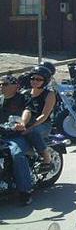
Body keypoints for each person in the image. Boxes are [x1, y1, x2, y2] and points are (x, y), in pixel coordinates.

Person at [1, 75, 35, 205]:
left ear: (15, 86)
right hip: (2, 134)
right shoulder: (0, 99)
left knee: (17, 154)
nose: (1, 86)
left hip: (16, 134)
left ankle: (25, 191)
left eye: (5, 84)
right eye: (1, 84)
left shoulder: (23, 98)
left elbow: (27, 111)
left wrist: (22, 122)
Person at [18, 66, 56, 176]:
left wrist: (31, 126)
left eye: (39, 79)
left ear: (45, 81)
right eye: (33, 78)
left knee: (32, 132)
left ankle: (47, 160)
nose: (35, 81)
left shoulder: (49, 94)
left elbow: (44, 115)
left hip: (43, 124)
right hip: (24, 123)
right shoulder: (25, 93)